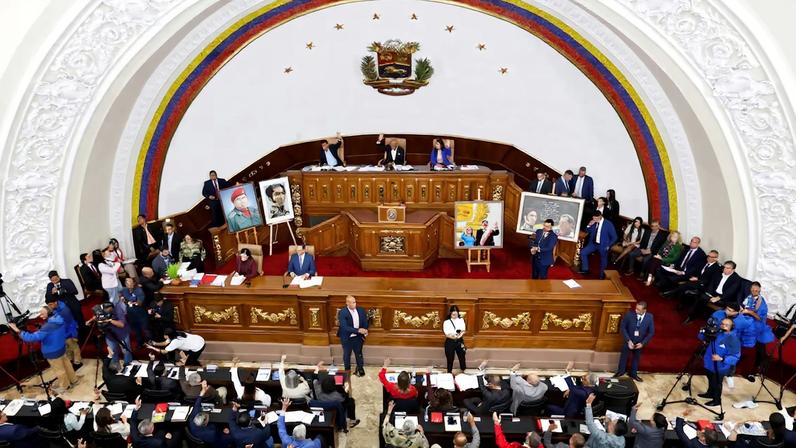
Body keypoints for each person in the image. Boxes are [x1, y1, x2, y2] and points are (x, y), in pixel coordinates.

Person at [8, 306, 78, 392]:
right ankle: (74, 380)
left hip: (53, 352)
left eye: (42, 313)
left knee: (59, 370)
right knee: (67, 365)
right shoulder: (59, 319)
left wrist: (18, 331)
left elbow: (31, 338)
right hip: (61, 348)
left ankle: (65, 386)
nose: (40, 315)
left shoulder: (47, 327)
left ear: (48, 314)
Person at [698, 317, 741, 407]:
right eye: (722, 324)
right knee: (710, 379)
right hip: (709, 363)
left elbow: (735, 356)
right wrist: (703, 331)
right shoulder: (717, 332)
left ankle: (717, 400)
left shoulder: (733, 339)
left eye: (726, 325)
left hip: (720, 366)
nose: (723, 326)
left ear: (732, 327)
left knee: (717, 383)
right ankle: (710, 393)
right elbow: (702, 337)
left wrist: (722, 359)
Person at [740, 282, 776, 375]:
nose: (754, 290)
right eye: (752, 289)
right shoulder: (749, 297)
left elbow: (760, 318)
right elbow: (744, 306)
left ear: (759, 290)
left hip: (758, 325)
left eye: (756, 289)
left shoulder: (761, 303)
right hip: (748, 321)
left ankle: (757, 368)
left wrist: (750, 312)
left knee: (759, 347)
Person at [312, 361, 359, 429]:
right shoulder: (337, 396)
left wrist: (318, 368)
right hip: (335, 405)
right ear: (332, 387)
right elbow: (345, 398)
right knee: (351, 401)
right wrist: (344, 388)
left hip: (323, 405)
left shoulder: (318, 391)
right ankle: (352, 421)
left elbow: (315, 380)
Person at [614, 301, 654, 382]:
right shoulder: (629, 315)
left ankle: (633, 374)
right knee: (624, 356)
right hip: (628, 340)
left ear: (644, 310)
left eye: (638, 310)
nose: (636, 311)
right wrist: (628, 340)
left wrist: (642, 343)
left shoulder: (649, 317)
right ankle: (620, 371)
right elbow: (623, 327)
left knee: (636, 358)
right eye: (636, 308)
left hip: (639, 343)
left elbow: (651, 332)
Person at [91, 300, 134, 367]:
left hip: (122, 333)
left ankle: (128, 364)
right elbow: (95, 317)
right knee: (112, 351)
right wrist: (92, 320)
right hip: (109, 335)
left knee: (126, 351)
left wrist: (109, 320)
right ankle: (115, 367)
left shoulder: (118, 310)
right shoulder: (99, 310)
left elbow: (121, 324)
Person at [188, 381, 231, 447]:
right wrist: (227, 433)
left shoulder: (192, 420)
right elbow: (222, 439)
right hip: (215, 442)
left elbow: (196, 406)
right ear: (205, 423)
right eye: (206, 416)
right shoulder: (212, 433)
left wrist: (202, 393)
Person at [44, 294, 82, 369]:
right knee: (67, 349)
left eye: (51, 304)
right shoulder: (55, 308)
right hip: (62, 333)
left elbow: (70, 323)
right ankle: (71, 361)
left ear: (56, 302)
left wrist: (73, 334)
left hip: (69, 332)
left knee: (74, 347)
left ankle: (78, 362)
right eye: (48, 305)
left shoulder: (64, 310)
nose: (50, 306)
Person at [45, 270, 85, 338]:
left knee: (79, 319)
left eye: (56, 279)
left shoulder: (67, 281)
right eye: (53, 280)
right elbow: (47, 300)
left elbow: (75, 291)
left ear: (58, 276)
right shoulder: (49, 286)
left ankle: (83, 332)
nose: (55, 281)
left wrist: (65, 290)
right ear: (50, 280)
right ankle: (72, 335)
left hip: (72, 303)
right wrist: (51, 293)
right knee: (67, 323)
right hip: (61, 308)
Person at [578, 211, 617, 279]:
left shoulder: (608, 224)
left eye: (595, 218)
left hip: (603, 245)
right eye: (593, 218)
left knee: (603, 260)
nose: (594, 220)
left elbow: (614, 237)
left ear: (600, 217)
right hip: (593, 243)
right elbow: (587, 231)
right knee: (583, 252)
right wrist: (589, 224)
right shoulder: (593, 222)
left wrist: (608, 245)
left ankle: (601, 276)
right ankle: (585, 269)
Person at [337, 295, 368, 376]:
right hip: (347, 337)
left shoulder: (361, 310)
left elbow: (365, 321)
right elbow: (344, 327)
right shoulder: (343, 312)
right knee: (347, 354)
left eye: (355, 302)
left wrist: (365, 329)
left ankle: (360, 368)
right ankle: (347, 370)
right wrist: (358, 330)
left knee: (359, 353)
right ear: (347, 303)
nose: (354, 304)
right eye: (352, 302)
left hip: (358, 337)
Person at [122, 277, 150, 351]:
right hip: (131, 315)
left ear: (134, 283)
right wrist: (130, 300)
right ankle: (140, 343)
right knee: (136, 330)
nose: (129, 284)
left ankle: (150, 343)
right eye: (127, 283)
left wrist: (129, 300)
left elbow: (139, 303)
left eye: (130, 282)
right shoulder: (124, 290)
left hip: (141, 314)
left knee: (145, 329)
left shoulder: (139, 290)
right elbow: (123, 298)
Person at [443, 305, 467, 373]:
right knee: (450, 358)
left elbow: (463, 330)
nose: (454, 314)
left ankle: (463, 370)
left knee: (462, 356)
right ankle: (449, 372)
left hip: (459, 341)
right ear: (450, 313)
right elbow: (446, 334)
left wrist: (459, 336)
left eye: (456, 312)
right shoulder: (446, 322)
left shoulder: (461, 320)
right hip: (450, 341)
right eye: (453, 312)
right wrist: (453, 337)